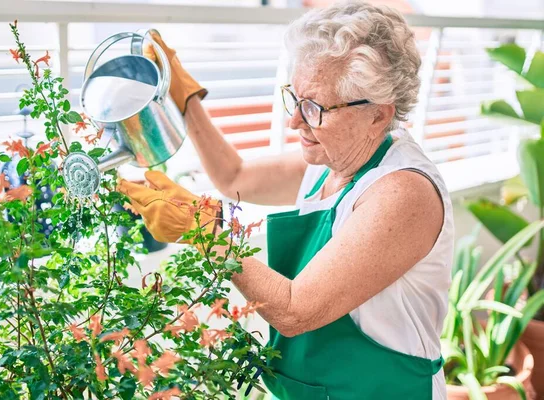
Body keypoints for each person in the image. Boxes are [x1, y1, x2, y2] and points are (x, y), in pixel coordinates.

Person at [118, 1, 454, 399]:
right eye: (294, 98)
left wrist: (209, 234)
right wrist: (185, 98)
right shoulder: (330, 160)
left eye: (314, 107)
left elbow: (297, 311)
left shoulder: (402, 193)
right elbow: (234, 177)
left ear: (378, 115)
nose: (295, 120)